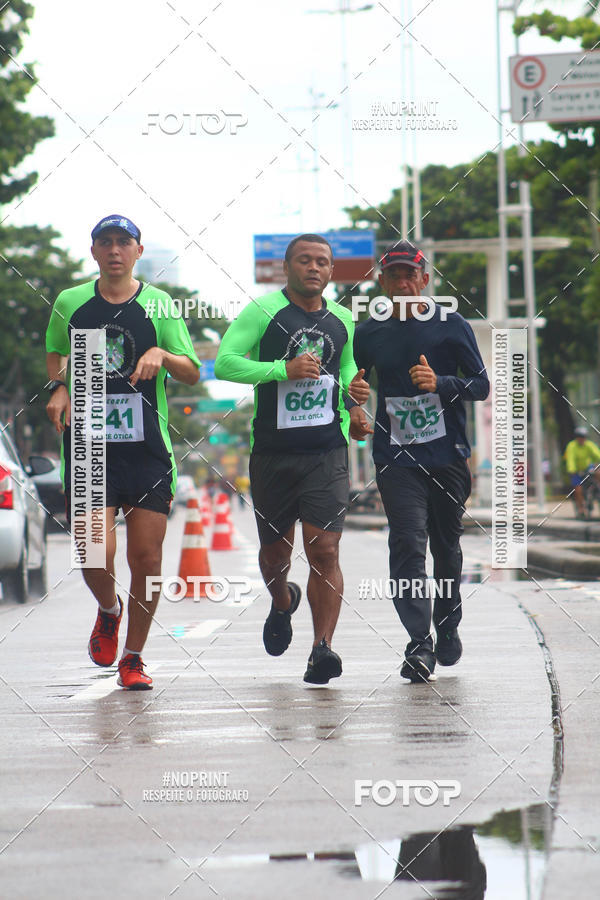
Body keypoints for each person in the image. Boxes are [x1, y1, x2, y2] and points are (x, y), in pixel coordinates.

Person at [45, 214, 200, 690]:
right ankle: (109, 611)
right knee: (94, 550)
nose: (114, 250)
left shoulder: (159, 304)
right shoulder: (73, 302)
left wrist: (163, 357)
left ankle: (133, 657)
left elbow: (192, 371)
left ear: (137, 251)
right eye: (105, 242)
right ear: (93, 251)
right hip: (91, 444)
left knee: (147, 560)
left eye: (123, 242)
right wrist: (59, 387)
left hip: (146, 449)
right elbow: (56, 354)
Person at [214, 233, 370, 684]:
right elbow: (226, 363)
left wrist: (356, 403)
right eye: (305, 260)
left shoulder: (342, 318)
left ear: (331, 270)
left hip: (326, 452)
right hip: (273, 454)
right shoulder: (262, 312)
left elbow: (345, 373)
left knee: (324, 548)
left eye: (322, 261)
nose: (314, 268)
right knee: (274, 556)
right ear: (287, 267)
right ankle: (282, 602)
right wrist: (281, 369)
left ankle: (322, 649)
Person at [353, 241, 489, 682]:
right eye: (395, 276)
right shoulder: (370, 331)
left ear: (425, 280)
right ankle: (419, 642)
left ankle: (447, 623)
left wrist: (442, 382)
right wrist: (354, 402)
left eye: (412, 275)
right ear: (383, 283)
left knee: (445, 548)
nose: (404, 283)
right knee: (407, 542)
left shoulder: (451, 325)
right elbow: (356, 383)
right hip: (396, 455)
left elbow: (481, 385)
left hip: (447, 454)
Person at [564, 426, 600, 519]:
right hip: (576, 471)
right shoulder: (572, 446)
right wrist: (572, 470)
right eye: (580, 437)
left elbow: (597, 454)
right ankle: (581, 509)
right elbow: (570, 459)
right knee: (578, 489)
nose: (582, 439)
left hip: (588, 468)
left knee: (598, 472)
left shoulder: (589, 445)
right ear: (576, 437)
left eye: (583, 437)